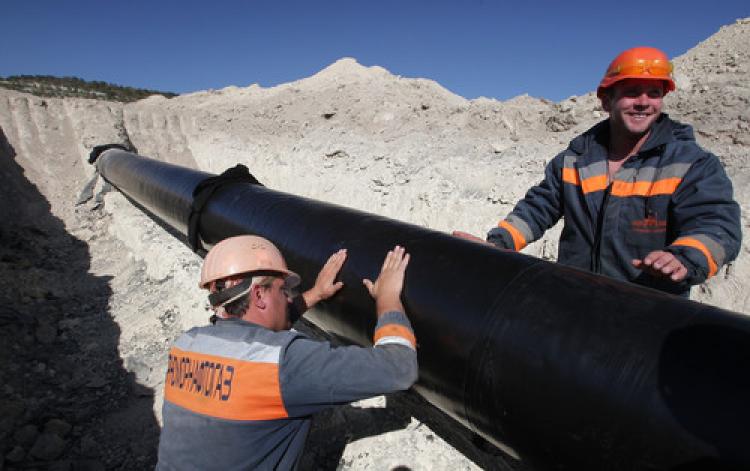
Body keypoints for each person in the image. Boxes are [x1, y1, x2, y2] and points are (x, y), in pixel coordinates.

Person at [454, 46, 741, 297]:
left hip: (651, 313)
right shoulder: (574, 161)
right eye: (632, 92)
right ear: (607, 101)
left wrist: (687, 257)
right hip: (575, 302)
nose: (644, 102)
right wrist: (497, 244)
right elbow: (537, 208)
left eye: (654, 93)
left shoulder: (691, 163)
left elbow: (716, 224)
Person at [156, 235, 417, 470]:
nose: (290, 298)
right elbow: (399, 367)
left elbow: (254, 332)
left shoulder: (187, 344)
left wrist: (315, 294)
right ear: (259, 295)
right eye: (284, 290)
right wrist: (388, 297)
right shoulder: (281, 365)